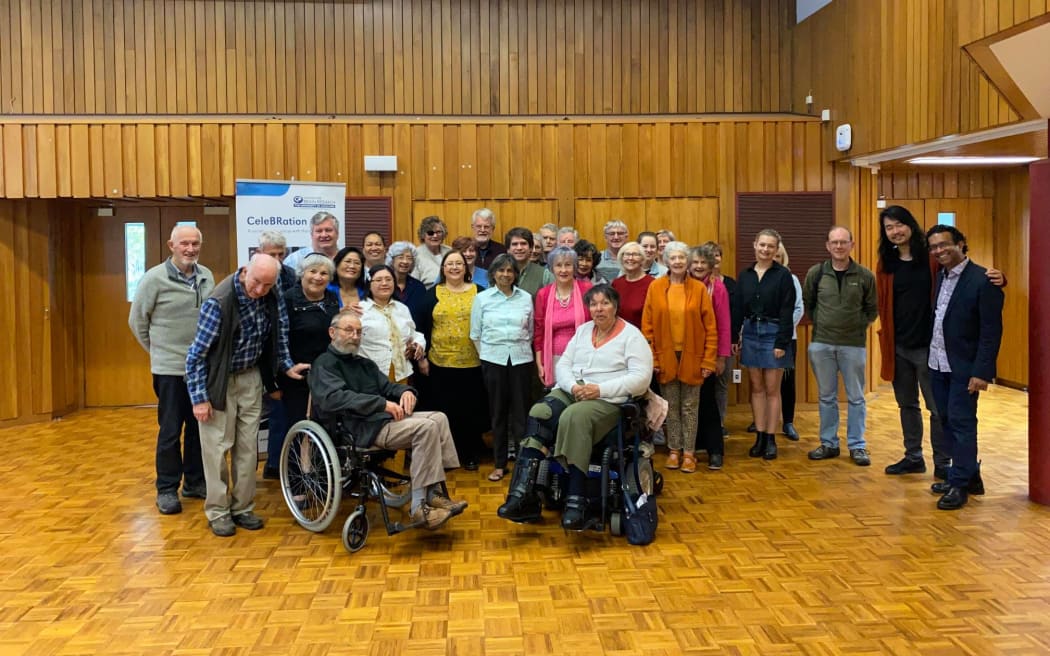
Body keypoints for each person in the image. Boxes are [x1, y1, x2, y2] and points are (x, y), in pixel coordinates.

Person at [497, 285, 653, 528]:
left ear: (615, 306)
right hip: (576, 390)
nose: (598, 309)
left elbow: (641, 378)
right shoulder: (582, 331)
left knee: (574, 416)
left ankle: (577, 500)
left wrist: (599, 390)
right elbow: (564, 365)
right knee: (541, 411)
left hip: (609, 400)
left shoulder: (632, 336)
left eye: (605, 303)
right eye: (593, 304)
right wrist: (573, 387)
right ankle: (521, 495)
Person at [876, 206, 1006, 480]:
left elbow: (964, 277)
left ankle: (942, 462)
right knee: (906, 404)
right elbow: (883, 304)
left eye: (899, 224)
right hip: (898, 346)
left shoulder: (933, 259)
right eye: (889, 227)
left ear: (910, 225)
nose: (895, 231)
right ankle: (913, 457)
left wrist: (998, 278)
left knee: (938, 410)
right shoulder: (885, 264)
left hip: (931, 349)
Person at [185, 254, 310, 537]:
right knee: (217, 447)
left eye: (267, 285)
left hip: (250, 376)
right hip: (218, 380)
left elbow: (279, 334)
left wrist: (287, 367)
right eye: (256, 283)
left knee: (246, 447)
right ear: (244, 271)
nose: (259, 291)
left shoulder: (271, 294)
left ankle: (242, 508)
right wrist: (199, 398)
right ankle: (218, 512)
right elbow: (194, 357)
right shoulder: (219, 302)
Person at [309, 312, 467, 529]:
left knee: (439, 418)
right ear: (332, 332)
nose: (355, 336)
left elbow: (388, 387)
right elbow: (335, 398)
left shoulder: (364, 364)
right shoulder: (323, 364)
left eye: (359, 332)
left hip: (381, 420)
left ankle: (432, 491)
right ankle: (419, 508)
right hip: (359, 428)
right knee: (426, 427)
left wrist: (406, 392)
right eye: (349, 330)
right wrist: (381, 404)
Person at [129, 225, 216, 515]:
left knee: (197, 428)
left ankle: (194, 482)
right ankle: (167, 489)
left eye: (195, 244)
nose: (190, 249)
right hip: (169, 369)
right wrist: (158, 353)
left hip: (201, 369)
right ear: (171, 245)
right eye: (184, 244)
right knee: (169, 430)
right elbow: (137, 322)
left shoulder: (206, 276)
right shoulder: (154, 279)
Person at [925, 225, 1004, 510]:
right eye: (934, 247)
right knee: (945, 420)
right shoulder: (940, 276)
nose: (939, 251)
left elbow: (991, 331)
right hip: (937, 364)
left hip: (963, 368)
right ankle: (968, 475)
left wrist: (982, 372)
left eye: (945, 245)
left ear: (961, 243)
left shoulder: (983, 281)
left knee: (962, 424)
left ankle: (959, 485)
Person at [803, 226, 878, 466]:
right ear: (827, 246)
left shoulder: (865, 276)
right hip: (821, 344)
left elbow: (872, 309)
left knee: (856, 397)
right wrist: (824, 324)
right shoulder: (816, 273)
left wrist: (856, 327)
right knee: (826, 397)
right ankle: (828, 443)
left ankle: (857, 446)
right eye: (834, 242)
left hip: (853, 345)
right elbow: (809, 303)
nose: (838, 246)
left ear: (851, 245)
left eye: (843, 242)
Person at [642, 241, 718, 474]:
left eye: (681, 258)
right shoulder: (655, 287)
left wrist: (708, 361)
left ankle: (689, 453)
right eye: (672, 258)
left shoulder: (698, 289)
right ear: (665, 260)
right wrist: (653, 359)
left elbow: (710, 328)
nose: (677, 262)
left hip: (693, 356)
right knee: (671, 407)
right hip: (665, 356)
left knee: (690, 408)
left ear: (687, 262)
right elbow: (648, 327)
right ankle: (674, 450)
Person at [263, 253, 339, 480]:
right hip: (296, 376)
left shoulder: (332, 299)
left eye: (324, 273)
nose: (318, 277)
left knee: (326, 427)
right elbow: (278, 339)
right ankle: (296, 483)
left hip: (327, 375)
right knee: (297, 429)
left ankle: (321, 480)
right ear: (302, 274)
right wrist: (287, 368)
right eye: (312, 271)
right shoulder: (287, 299)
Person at [417, 250, 488, 470]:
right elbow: (421, 327)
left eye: (459, 263)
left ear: (466, 268)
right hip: (440, 363)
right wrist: (422, 359)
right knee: (447, 410)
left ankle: (470, 454)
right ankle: (448, 455)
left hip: (474, 363)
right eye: (450, 264)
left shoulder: (481, 292)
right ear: (443, 269)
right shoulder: (431, 294)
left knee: (471, 409)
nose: (455, 267)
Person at [731, 229, 796, 461]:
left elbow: (787, 311)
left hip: (773, 333)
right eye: (762, 245)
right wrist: (733, 338)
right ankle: (759, 435)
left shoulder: (783, 275)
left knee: (772, 389)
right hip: (750, 333)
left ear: (776, 249)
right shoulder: (745, 275)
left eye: (771, 246)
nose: (766, 250)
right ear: (754, 245)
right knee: (756, 388)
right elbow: (737, 308)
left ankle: (771, 438)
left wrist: (782, 341)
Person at [470, 254, 535, 482]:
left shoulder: (526, 298)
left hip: (520, 360)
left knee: (520, 414)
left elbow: (530, 332)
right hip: (493, 361)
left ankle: (521, 463)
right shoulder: (482, 299)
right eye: (501, 270)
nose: (506, 275)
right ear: (493, 273)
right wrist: (487, 357)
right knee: (497, 413)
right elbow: (475, 334)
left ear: (515, 274)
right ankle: (499, 464)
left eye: (510, 271)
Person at [689, 246, 732, 469]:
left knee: (708, 401)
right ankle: (695, 445)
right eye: (694, 262)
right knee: (690, 402)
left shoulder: (718, 288)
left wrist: (721, 357)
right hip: (686, 353)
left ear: (710, 265)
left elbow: (724, 325)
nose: (698, 266)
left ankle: (715, 450)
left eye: (702, 263)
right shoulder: (682, 285)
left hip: (708, 353)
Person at [534, 246, 593, 389]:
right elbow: (539, 332)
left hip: (584, 357)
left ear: (574, 267)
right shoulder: (544, 294)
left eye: (568, 265)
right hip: (554, 358)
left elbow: (596, 324)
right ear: (551, 268)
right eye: (558, 265)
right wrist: (539, 363)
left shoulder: (587, 289)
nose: (563, 270)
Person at [358, 264, 427, 384]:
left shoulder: (402, 308)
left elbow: (414, 334)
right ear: (369, 284)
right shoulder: (359, 310)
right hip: (370, 376)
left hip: (401, 374)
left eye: (389, 279)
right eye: (379, 280)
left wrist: (418, 344)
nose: (384, 283)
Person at [703, 240, 737, 434]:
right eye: (709, 255)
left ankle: (720, 423)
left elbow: (734, 314)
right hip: (704, 344)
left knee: (721, 385)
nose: (714, 258)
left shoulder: (729, 283)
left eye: (717, 254)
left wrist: (733, 340)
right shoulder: (697, 284)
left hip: (725, 342)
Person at [774, 242, 804, 441]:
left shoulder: (791, 279)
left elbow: (798, 309)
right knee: (763, 383)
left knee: (786, 382)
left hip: (786, 339)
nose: (774, 258)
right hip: (762, 339)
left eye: (778, 255)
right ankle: (765, 419)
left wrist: (781, 331)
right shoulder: (758, 277)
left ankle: (788, 422)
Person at [610, 241, 654, 327]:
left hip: (641, 336)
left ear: (642, 259)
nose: (630, 258)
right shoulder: (616, 283)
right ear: (622, 258)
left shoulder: (652, 284)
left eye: (635, 254)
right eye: (627, 254)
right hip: (618, 334)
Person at [387, 241, 428, 328]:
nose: (405, 261)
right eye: (400, 257)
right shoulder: (383, 284)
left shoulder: (419, 287)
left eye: (409, 258)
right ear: (392, 260)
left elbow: (424, 316)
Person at [505, 227, 553, 297]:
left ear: (530, 248)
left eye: (523, 243)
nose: (519, 248)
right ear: (508, 249)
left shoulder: (545, 275)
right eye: (515, 244)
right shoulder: (499, 273)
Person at [413, 215, 452, 287]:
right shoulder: (415, 255)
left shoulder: (450, 251)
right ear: (423, 235)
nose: (435, 236)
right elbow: (414, 284)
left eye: (438, 232)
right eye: (430, 233)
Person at [329, 246, 367, 311]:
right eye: (347, 261)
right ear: (336, 264)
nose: (352, 266)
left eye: (357, 263)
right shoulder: (326, 290)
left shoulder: (367, 290)